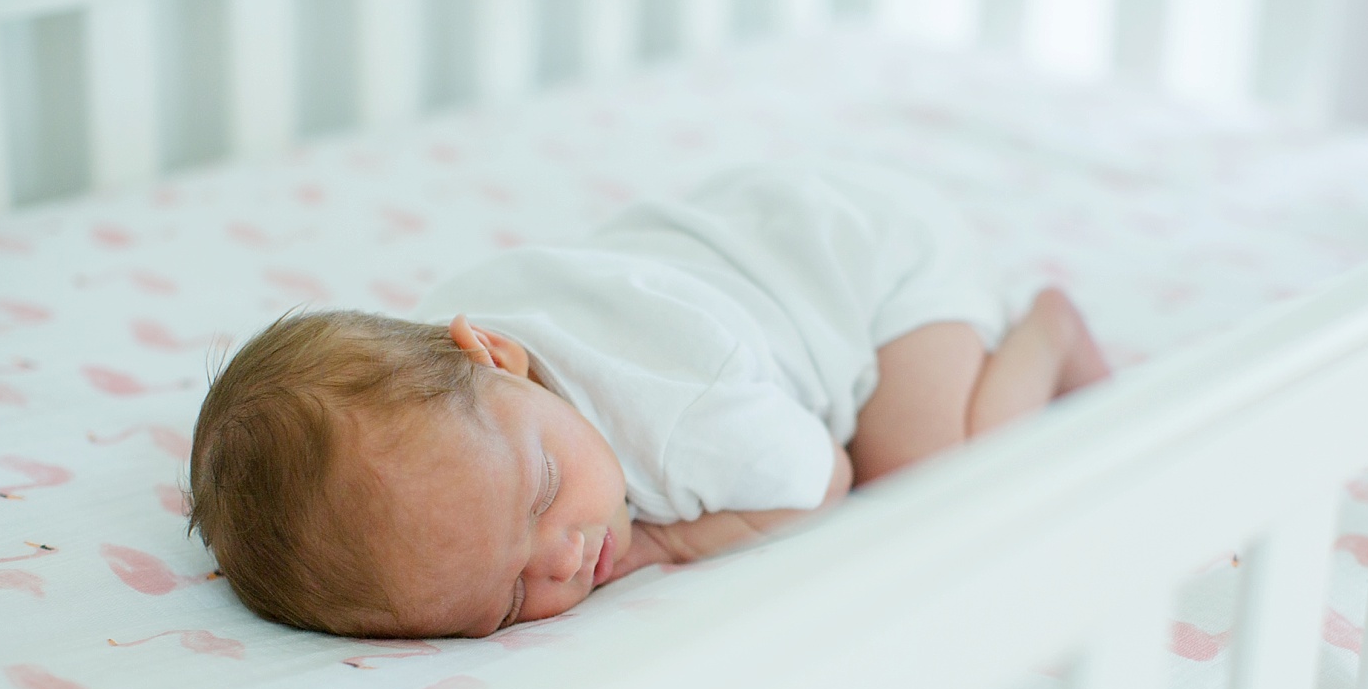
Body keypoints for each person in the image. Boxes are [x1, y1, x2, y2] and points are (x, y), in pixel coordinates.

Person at [188, 160, 1110, 638]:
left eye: (545, 491)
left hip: (869, 263)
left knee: (921, 476)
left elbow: (821, 477)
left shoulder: (682, 416)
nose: (564, 556)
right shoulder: (448, 366)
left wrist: (674, 538)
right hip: (751, 222)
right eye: (511, 597)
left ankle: (1048, 332)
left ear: (498, 353)